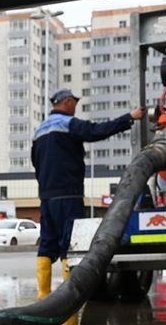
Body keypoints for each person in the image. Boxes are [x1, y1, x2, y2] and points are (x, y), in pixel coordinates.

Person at [30, 89, 145, 297]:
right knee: (69, 246)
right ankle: (69, 303)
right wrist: (129, 117)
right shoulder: (68, 123)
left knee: (47, 245)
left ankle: (42, 299)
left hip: (47, 197)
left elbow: (36, 164)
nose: (75, 107)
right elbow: (96, 131)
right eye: (74, 102)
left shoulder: (39, 131)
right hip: (69, 194)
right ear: (66, 102)